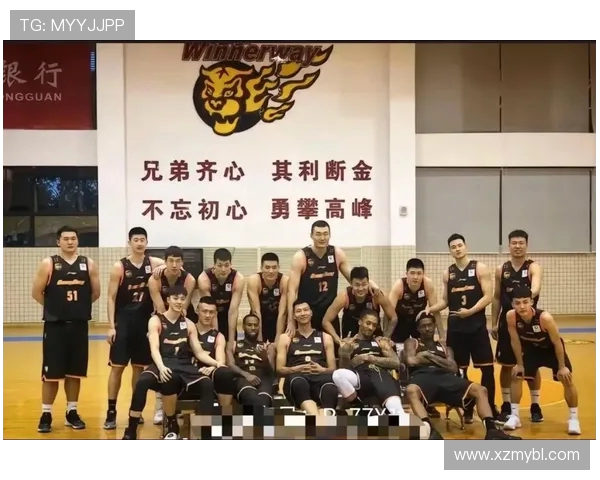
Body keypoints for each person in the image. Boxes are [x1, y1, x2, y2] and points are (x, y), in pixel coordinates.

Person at [122, 285, 224, 440]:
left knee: (206, 383)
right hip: (162, 362)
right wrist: (161, 367)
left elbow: (199, 352)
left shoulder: (189, 324)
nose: (179, 302)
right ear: (168, 300)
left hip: (182, 364)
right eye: (175, 298)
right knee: (142, 382)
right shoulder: (156, 320)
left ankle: (205, 432)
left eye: (182, 299)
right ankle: (131, 429)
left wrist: (217, 363)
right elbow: (154, 348)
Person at [404, 313, 521, 440]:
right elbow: (411, 361)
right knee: (411, 390)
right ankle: (429, 431)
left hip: (446, 378)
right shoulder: (413, 342)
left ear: (435, 326)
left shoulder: (444, 347)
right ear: (418, 329)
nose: (427, 329)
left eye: (430, 325)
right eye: (423, 326)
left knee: (480, 390)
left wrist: (428, 356)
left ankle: (491, 430)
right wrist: (441, 361)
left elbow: (453, 368)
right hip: (423, 377)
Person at [31, 226, 101, 434]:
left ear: (78, 241)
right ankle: (46, 414)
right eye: (66, 239)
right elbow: (36, 292)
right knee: (51, 374)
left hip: (79, 325)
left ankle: (72, 412)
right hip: (55, 326)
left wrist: (76, 309)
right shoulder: (49, 263)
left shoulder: (88, 264)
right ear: (58, 242)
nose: (70, 242)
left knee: (74, 373)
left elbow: (95, 293)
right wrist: (55, 308)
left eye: (73, 238)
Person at [428, 234, 498, 423]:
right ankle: (467, 409)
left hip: (476, 328)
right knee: (460, 372)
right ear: (450, 251)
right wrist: (430, 309)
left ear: (466, 247)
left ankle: (491, 408)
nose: (457, 249)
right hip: (456, 330)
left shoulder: (479, 268)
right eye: (453, 247)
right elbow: (445, 300)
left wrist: (471, 311)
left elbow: (488, 296)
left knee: (487, 370)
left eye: (460, 245)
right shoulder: (447, 273)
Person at [103, 227, 165, 430]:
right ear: (129, 242)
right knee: (117, 368)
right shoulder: (120, 267)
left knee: (139, 369)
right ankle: (111, 411)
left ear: (147, 242)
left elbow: (172, 265)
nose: (139, 243)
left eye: (142, 240)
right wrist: (111, 326)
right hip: (123, 323)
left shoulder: (153, 263)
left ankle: (134, 410)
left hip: (143, 324)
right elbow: (111, 298)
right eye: (136, 240)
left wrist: (163, 267)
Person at [504, 286, 580, 435]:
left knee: (566, 378)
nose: (522, 306)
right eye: (517, 303)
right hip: (532, 349)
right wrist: (519, 364)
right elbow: (515, 340)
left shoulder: (544, 318)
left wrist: (562, 366)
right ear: (512, 304)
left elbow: (557, 342)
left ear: (531, 302)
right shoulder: (511, 316)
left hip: (551, 350)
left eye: (525, 302)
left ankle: (573, 419)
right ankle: (514, 416)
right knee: (517, 375)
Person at [286, 220, 380, 336]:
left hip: (329, 314)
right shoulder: (301, 257)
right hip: (307, 314)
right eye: (318, 234)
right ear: (311, 236)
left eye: (325, 234)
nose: (322, 238)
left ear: (330, 235)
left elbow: (353, 277)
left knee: (333, 345)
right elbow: (292, 291)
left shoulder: (337, 253)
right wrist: (290, 320)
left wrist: (371, 283)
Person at [491, 230, 543, 423]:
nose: (517, 246)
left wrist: (524, 298)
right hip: (507, 322)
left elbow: (536, 287)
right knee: (506, 365)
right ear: (509, 245)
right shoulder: (501, 269)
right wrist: (494, 323)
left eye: (521, 243)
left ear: (526, 245)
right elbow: (497, 297)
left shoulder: (533, 267)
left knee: (531, 365)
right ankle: (506, 404)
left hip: (529, 323)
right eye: (514, 243)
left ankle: (535, 405)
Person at [332, 309, 410, 424]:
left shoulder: (380, 342)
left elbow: (396, 363)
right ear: (360, 322)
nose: (370, 328)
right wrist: (345, 355)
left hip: (381, 376)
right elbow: (344, 369)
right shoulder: (349, 342)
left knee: (397, 413)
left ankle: (417, 430)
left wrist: (370, 358)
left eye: (374, 325)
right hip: (361, 378)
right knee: (337, 375)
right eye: (368, 323)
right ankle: (357, 403)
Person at [148, 245, 196, 424]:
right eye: (171, 261)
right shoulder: (155, 279)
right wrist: (164, 328)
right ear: (165, 261)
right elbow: (160, 309)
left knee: (182, 359)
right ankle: (160, 406)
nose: (174, 265)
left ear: (182, 262)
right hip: (161, 319)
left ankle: (179, 403)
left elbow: (183, 307)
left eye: (178, 261)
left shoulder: (189, 279)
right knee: (162, 360)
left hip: (182, 319)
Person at [276, 300, 339, 415]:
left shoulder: (326, 337)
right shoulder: (286, 338)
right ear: (294, 316)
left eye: (305, 310)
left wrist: (322, 370)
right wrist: (297, 369)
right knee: (299, 383)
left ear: (311, 313)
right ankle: (318, 420)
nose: (303, 313)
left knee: (330, 388)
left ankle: (319, 422)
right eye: (298, 311)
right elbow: (279, 369)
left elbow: (332, 368)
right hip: (297, 378)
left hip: (320, 377)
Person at [322, 266, 397, 346]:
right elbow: (326, 321)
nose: (361, 288)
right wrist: (338, 340)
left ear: (368, 283)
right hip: (351, 340)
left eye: (364, 284)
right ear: (351, 284)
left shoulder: (377, 295)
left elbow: (393, 317)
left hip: (375, 339)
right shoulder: (344, 297)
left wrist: (386, 337)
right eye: (357, 285)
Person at [388, 258, 445, 349]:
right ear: (406, 274)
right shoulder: (399, 286)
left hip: (417, 322)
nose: (415, 277)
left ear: (423, 274)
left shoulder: (427, 284)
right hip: (400, 321)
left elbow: (435, 312)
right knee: (397, 348)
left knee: (423, 348)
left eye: (419, 273)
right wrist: (386, 337)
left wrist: (442, 337)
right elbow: (388, 313)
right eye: (412, 273)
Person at [193, 296, 239, 406]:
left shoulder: (218, 336)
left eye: (211, 312)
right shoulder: (189, 329)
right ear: (197, 310)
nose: (207, 315)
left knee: (225, 373)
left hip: (208, 371)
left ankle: (225, 413)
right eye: (204, 311)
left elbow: (220, 361)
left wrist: (211, 368)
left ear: (215, 314)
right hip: (189, 371)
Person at [227, 313, 276, 407]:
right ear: (243, 327)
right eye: (249, 325)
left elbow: (271, 372)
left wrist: (264, 358)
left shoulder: (267, 347)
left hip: (263, 380)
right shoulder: (233, 345)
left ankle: (253, 416)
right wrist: (247, 375)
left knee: (264, 401)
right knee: (251, 397)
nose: (253, 328)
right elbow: (230, 365)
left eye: (255, 325)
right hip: (243, 378)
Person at [197, 248, 245, 344]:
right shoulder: (204, 279)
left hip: (228, 313)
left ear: (231, 264)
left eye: (226, 265)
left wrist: (231, 341)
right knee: (214, 344)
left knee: (230, 343)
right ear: (214, 265)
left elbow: (233, 311)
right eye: (219, 265)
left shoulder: (238, 278)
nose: (223, 269)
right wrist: (217, 341)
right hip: (211, 314)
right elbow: (211, 310)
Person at [246, 252, 289, 343]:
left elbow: (283, 313)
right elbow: (256, 311)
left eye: (274, 267)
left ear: (279, 267)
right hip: (260, 320)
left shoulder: (284, 281)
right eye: (267, 267)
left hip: (278, 321)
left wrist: (278, 338)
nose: (271, 271)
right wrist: (259, 340)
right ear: (261, 268)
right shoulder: (254, 280)